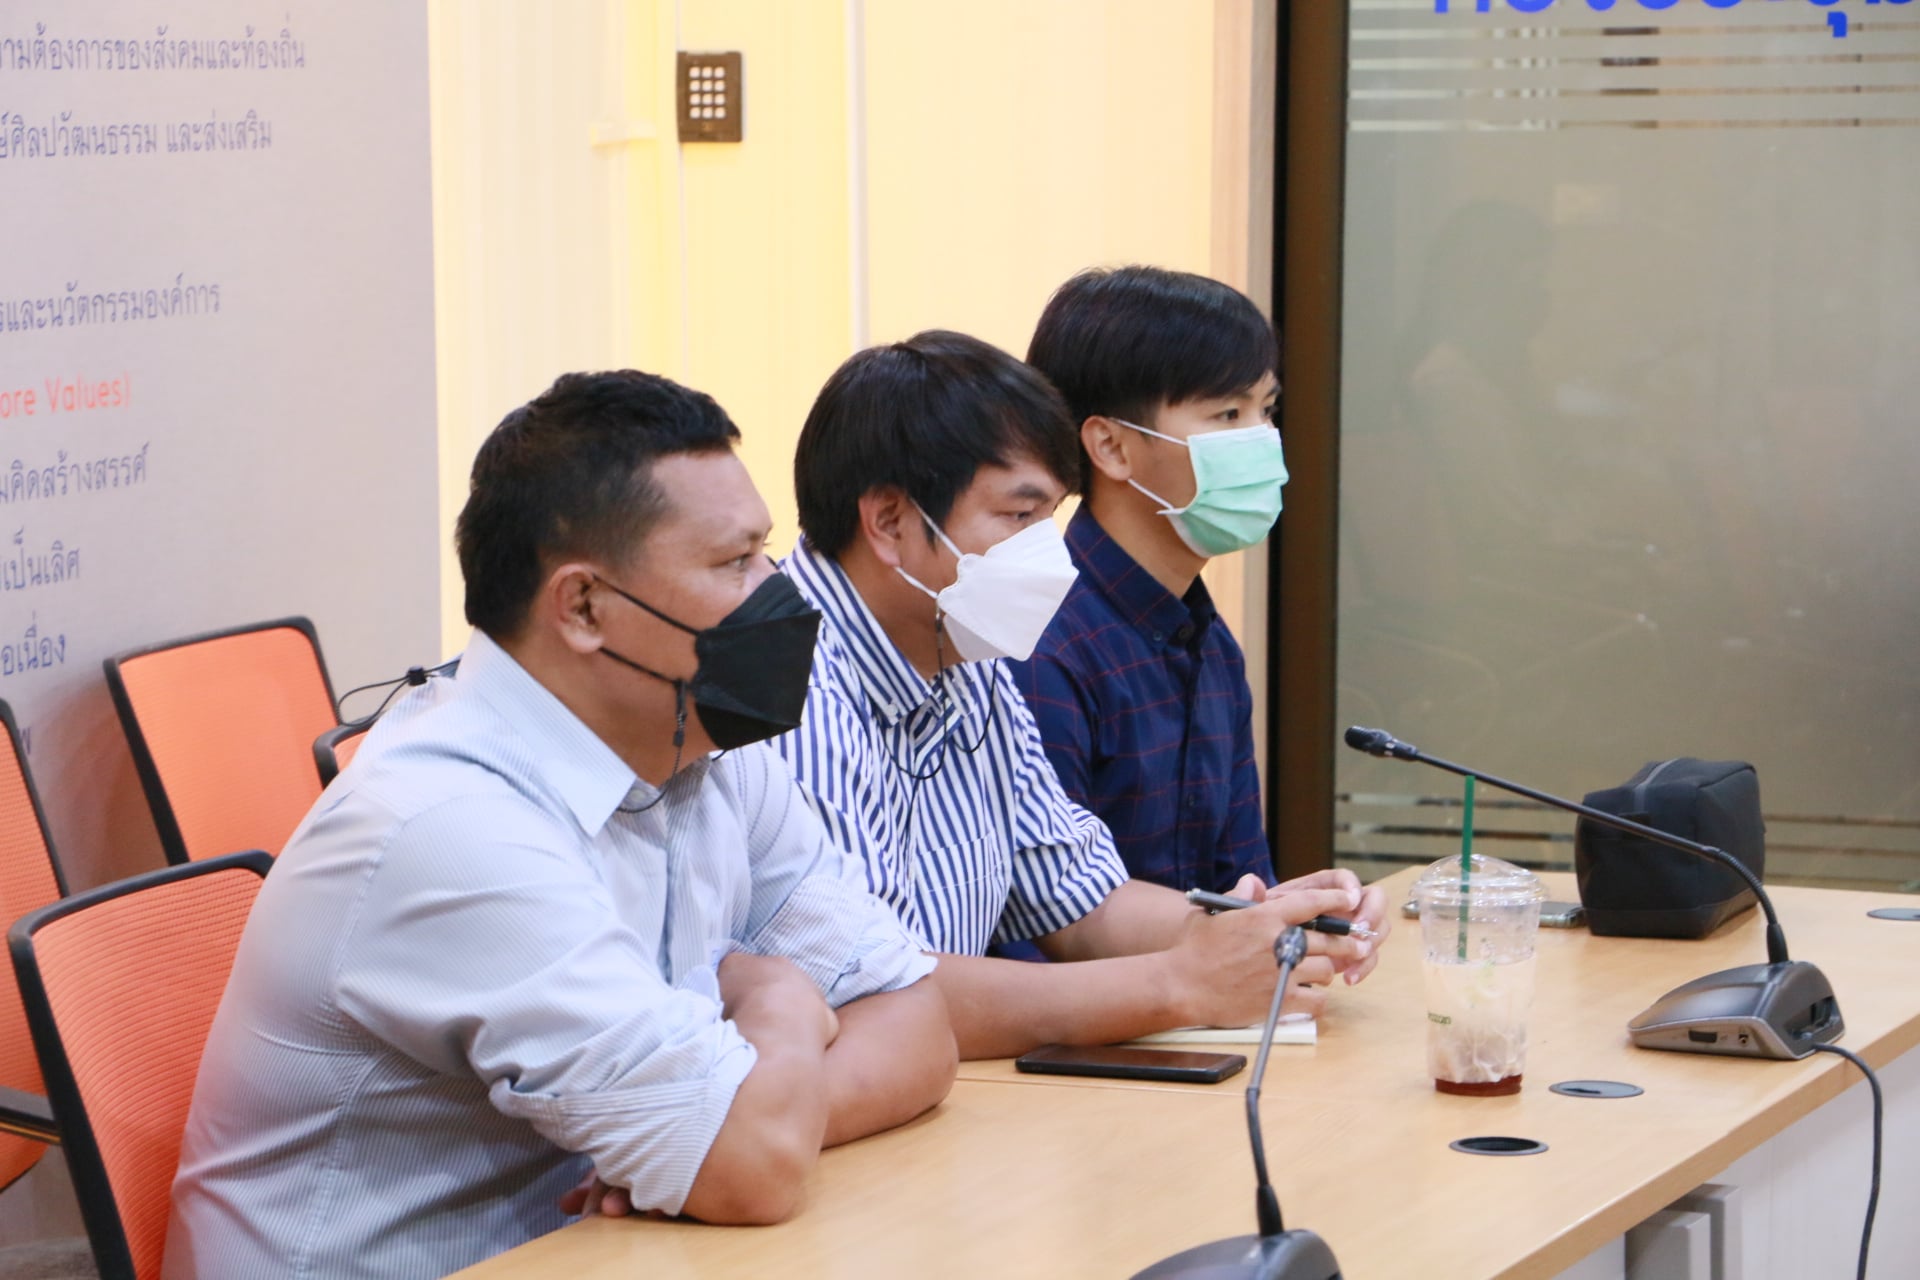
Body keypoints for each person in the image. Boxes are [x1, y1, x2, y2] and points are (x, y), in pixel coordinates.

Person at [164, 372, 957, 1280]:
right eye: (734, 564)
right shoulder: (449, 828)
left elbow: (917, 1029)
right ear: (583, 608)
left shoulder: (703, 747)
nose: (776, 592)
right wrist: (779, 1007)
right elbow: (752, 1167)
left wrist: (746, 1116)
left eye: (763, 552)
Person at [772, 329, 1384, 1061]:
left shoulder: (960, 648)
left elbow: (1078, 897)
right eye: (1019, 517)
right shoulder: (790, 690)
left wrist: (1261, 930)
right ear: (889, 522)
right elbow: (871, 991)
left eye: (1050, 519)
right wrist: (1179, 983)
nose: (1047, 554)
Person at [1018, 267, 1368, 907]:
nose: (1261, 440)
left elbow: (1240, 893)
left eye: (1267, 410)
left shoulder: (1210, 643)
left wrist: (1310, 917)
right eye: (1228, 413)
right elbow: (1047, 920)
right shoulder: (1042, 646)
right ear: (1111, 446)